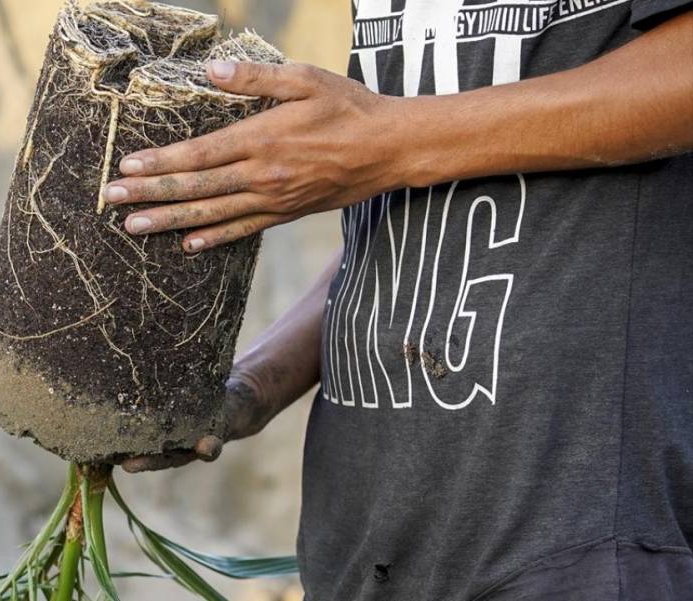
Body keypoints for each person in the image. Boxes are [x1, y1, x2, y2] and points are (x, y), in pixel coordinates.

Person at [111, 1, 693, 599]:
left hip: (569, 527)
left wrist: (383, 139)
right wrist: (255, 385)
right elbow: (403, 221)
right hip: (361, 541)